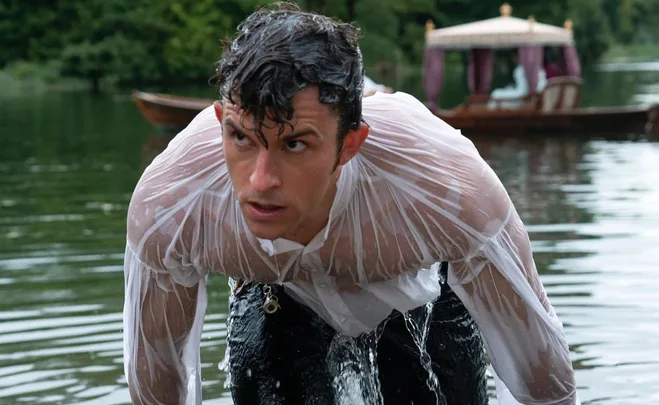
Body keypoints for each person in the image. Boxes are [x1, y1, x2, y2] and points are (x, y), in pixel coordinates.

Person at [122, 3, 579, 405]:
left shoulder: (446, 187)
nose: (260, 182)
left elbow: (544, 379)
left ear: (350, 144)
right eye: (240, 137)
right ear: (220, 120)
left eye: (296, 144)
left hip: (420, 299)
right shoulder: (172, 202)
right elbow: (159, 390)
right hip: (274, 301)